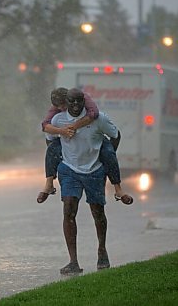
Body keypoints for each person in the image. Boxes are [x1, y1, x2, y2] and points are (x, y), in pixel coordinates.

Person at [50, 88, 120, 274]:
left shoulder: (99, 119)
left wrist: (107, 157)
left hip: (94, 170)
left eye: (78, 101)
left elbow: (115, 135)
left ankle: (102, 250)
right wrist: (59, 161)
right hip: (70, 170)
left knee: (97, 212)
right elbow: (50, 140)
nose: (75, 105)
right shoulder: (58, 120)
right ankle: (73, 261)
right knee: (69, 211)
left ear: (84, 101)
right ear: (66, 101)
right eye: (71, 101)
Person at [37, 87, 132, 206]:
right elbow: (45, 126)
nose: (62, 109)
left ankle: (118, 189)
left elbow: (94, 114)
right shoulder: (57, 115)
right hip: (66, 143)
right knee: (51, 149)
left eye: (63, 106)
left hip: (94, 137)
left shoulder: (85, 99)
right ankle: (49, 184)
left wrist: (74, 127)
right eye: (59, 108)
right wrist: (62, 135)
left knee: (108, 152)